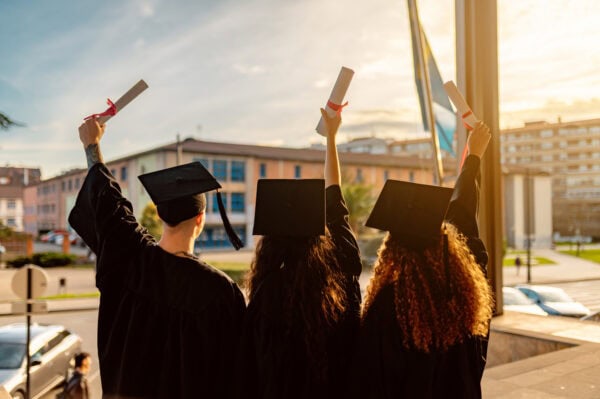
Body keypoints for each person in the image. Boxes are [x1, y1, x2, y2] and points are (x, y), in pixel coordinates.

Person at [68, 118, 245, 398]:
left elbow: (107, 203)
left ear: (160, 215)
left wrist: (92, 145)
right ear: (200, 220)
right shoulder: (220, 291)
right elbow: (234, 376)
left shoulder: (128, 259)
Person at [353, 121, 494, 398]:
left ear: (392, 249)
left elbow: (372, 383)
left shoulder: (388, 307)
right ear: (445, 244)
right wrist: (473, 157)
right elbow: (464, 221)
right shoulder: (466, 298)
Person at [236, 109, 362, 398]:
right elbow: (335, 200)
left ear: (269, 244)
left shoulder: (266, 297)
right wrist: (331, 137)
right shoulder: (340, 273)